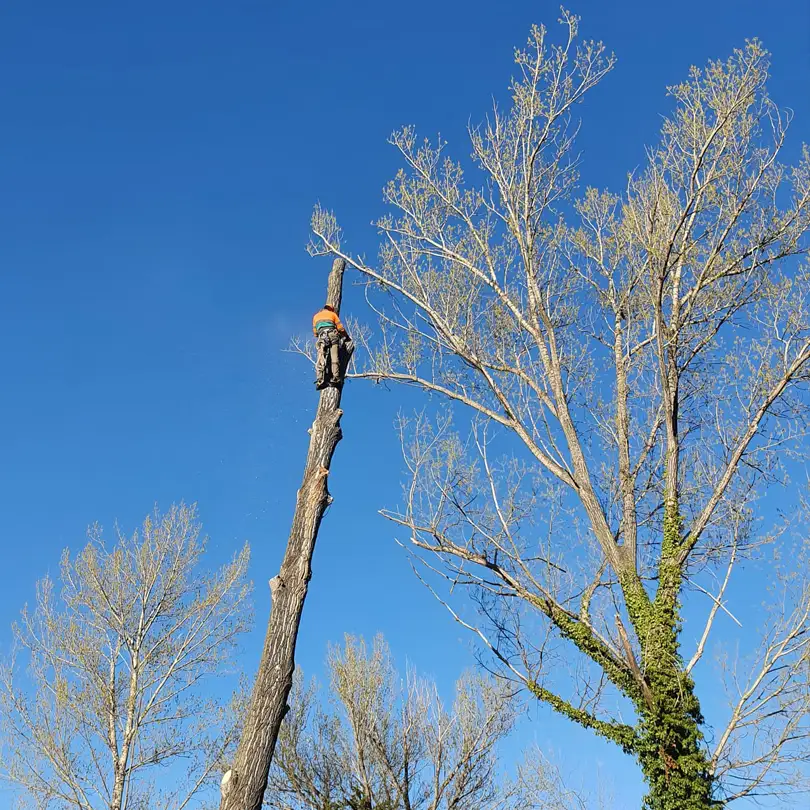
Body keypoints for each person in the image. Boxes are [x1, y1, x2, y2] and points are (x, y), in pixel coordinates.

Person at [312, 304, 349, 388]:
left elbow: (315, 333)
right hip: (333, 335)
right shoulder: (333, 314)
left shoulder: (315, 316)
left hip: (322, 337)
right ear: (331, 309)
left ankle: (320, 379)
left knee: (321, 357)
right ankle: (335, 378)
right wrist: (346, 337)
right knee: (334, 356)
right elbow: (340, 328)